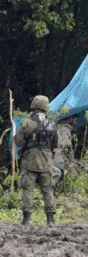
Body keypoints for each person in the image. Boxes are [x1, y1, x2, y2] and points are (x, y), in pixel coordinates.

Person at [14, 95, 58, 226]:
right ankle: (51, 220)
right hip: (46, 162)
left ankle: (27, 219)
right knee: (48, 190)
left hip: (30, 161)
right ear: (46, 108)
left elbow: (19, 141)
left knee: (27, 190)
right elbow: (56, 144)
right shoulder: (52, 124)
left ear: (33, 106)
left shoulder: (27, 123)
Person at [53, 115, 78, 184]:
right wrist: (71, 160)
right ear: (70, 119)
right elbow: (66, 147)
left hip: (54, 157)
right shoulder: (64, 129)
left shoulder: (57, 126)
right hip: (60, 160)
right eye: (75, 120)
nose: (75, 123)